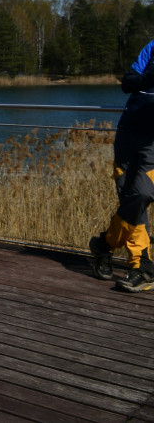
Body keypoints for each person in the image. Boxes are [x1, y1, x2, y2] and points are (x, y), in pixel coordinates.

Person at [90, 38, 154, 292]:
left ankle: (105, 244)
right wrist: (147, 78)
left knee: (142, 195)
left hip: (152, 141)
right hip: (127, 133)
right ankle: (142, 268)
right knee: (130, 199)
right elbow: (127, 83)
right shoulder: (152, 47)